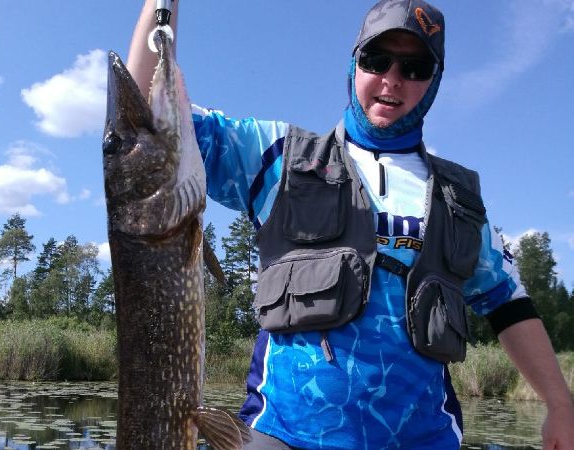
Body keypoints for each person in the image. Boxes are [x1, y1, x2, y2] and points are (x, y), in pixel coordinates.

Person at [127, 1, 574, 448]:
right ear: (354, 64)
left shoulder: (456, 198)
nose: (392, 79)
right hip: (282, 434)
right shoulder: (278, 157)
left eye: (415, 67)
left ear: (433, 83)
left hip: (423, 438)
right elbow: (144, 120)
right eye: (377, 60)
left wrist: (559, 404)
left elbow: (507, 303)